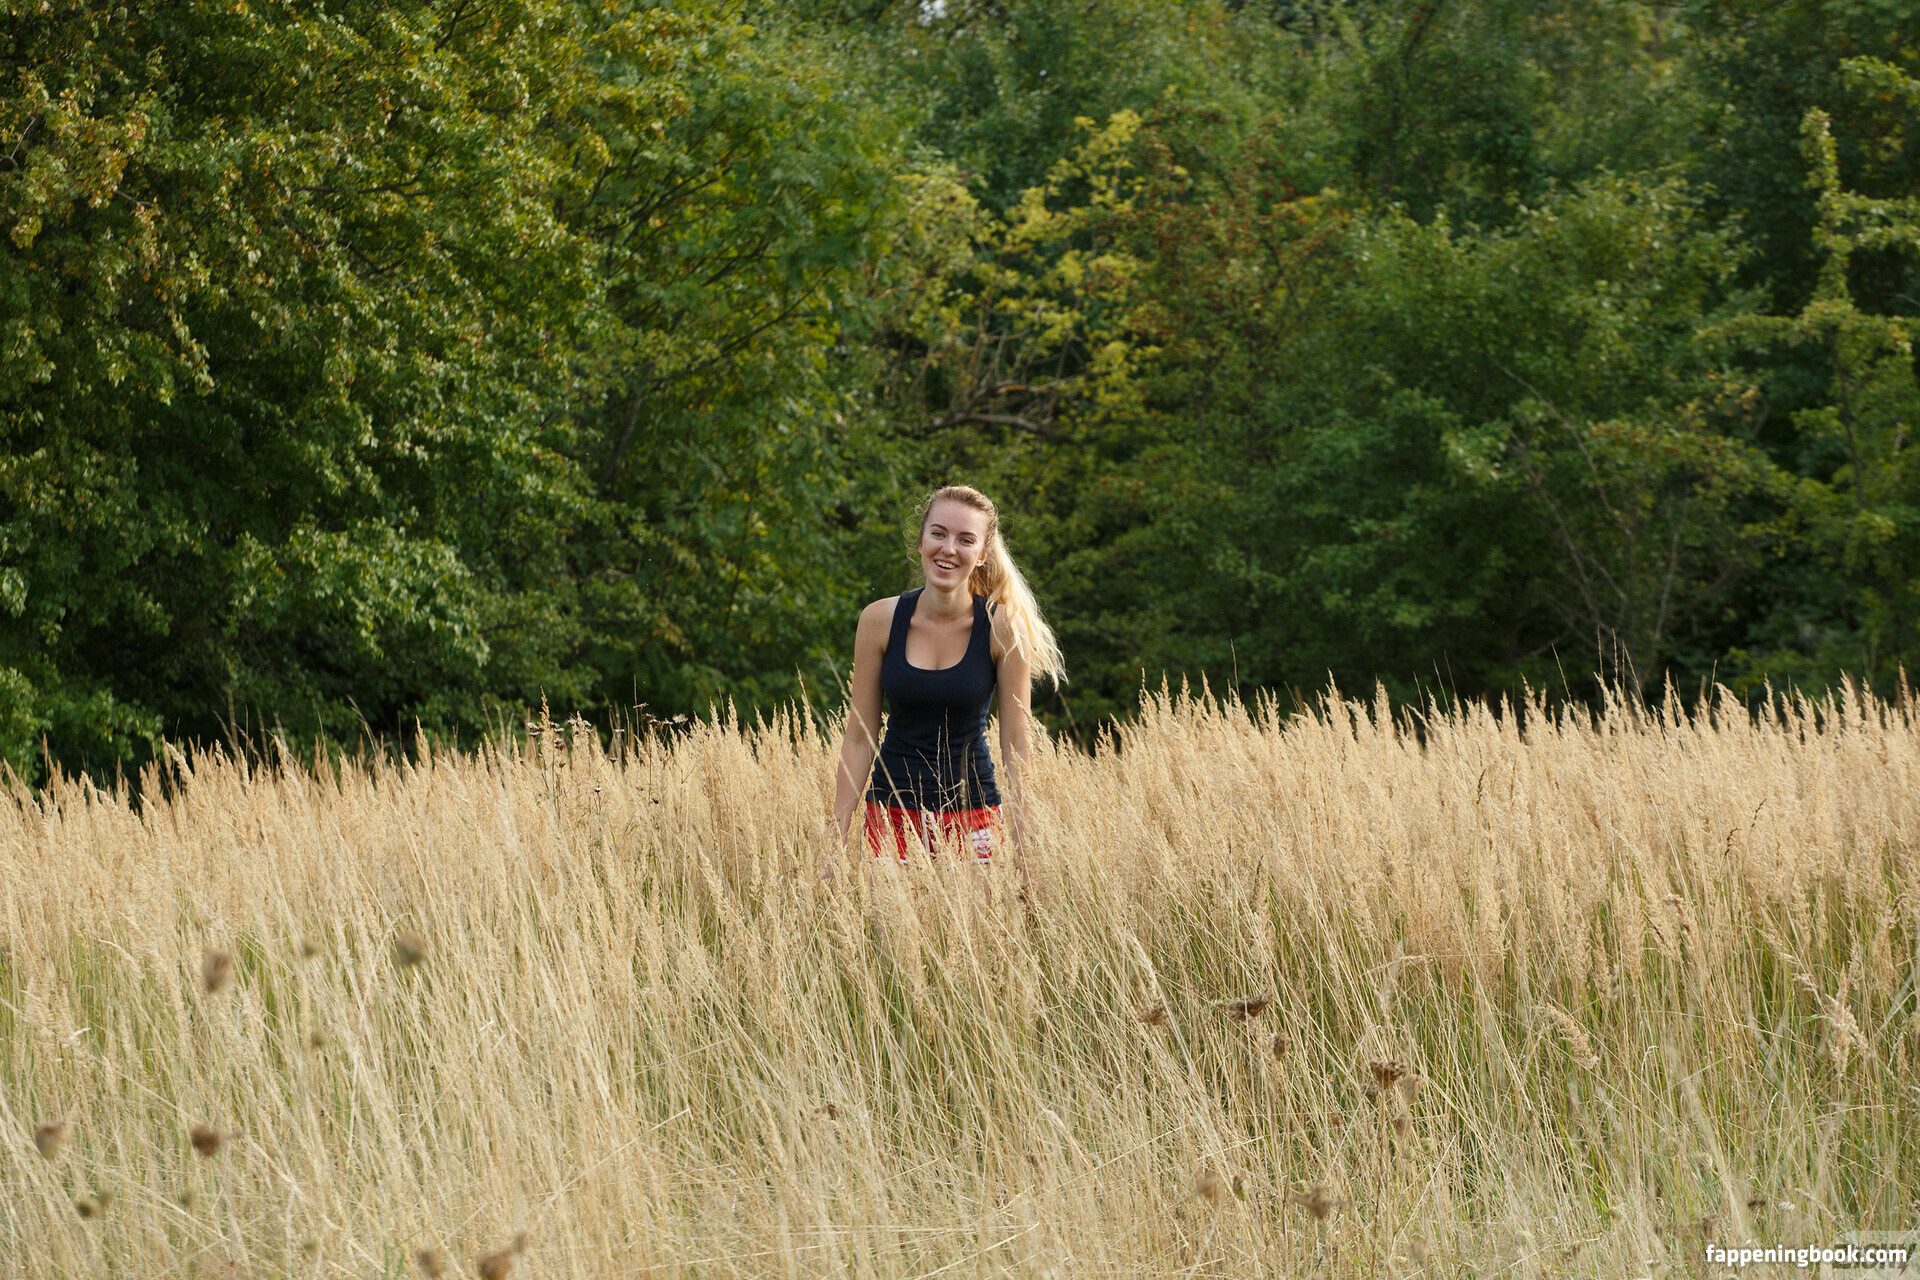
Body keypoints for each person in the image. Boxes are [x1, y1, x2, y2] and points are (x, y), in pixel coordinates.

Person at [833, 485, 1066, 866]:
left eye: (965, 540)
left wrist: (1025, 846)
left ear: (982, 554)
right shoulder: (878, 620)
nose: (949, 549)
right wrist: (835, 842)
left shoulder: (1003, 628)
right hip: (891, 815)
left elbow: (1017, 744)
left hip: (974, 815)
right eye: (939, 533)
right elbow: (859, 739)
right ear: (921, 540)